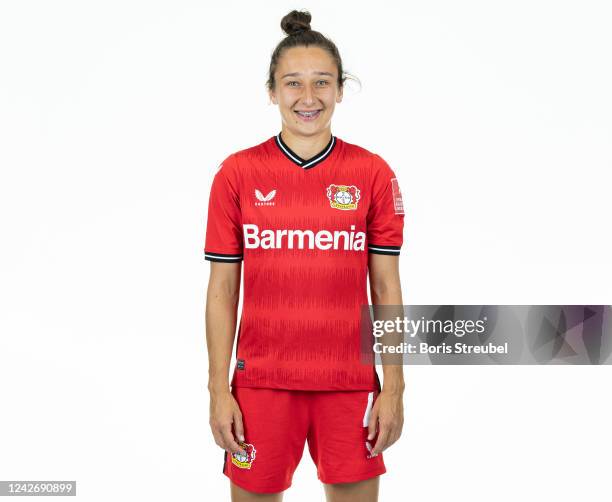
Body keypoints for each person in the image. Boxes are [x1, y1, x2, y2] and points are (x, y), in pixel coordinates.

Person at [205, 9, 405, 502]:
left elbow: (386, 287)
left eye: (323, 82)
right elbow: (223, 289)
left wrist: (395, 386)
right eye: (292, 83)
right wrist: (218, 388)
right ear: (271, 91)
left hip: (349, 383)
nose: (308, 97)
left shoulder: (373, 173)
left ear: (340, 89)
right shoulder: (237, 173)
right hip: (261, 384)